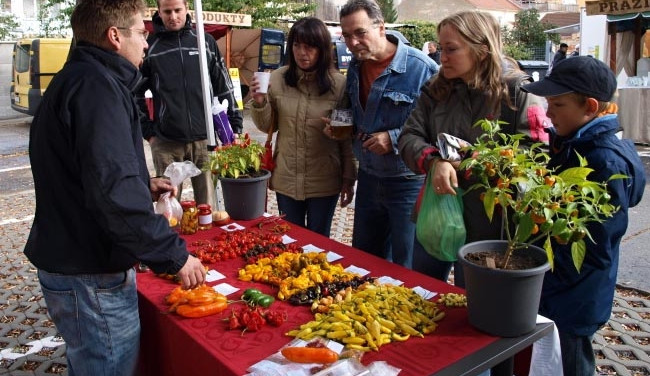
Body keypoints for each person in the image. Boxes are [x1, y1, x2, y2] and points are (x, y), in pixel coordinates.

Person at [24, 0, 207, 374]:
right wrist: (174, 256)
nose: (145, 42)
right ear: (114, 36)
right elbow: (113, 193)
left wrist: (143, 183)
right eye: (141, 32)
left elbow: (90, 173)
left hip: (73, 259)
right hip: (89, 271)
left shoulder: (78, 77)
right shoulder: (96, 88)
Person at [398, 10, 546, 286]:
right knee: (421, 292)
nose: (442, 57)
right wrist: (434, 162)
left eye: (451, 49)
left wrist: (469, 162)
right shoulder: (436, 88)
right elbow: (408, 137)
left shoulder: (518, 92)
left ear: (482, 49)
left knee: (476, 304)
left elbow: (535, 159)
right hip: (436, 213)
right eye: (440, 48)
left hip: (491, 227)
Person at [521, 56, 645, 376]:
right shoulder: (578, 143)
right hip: (563, 290)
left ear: (589, 106)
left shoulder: (601, 160)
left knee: (571, 362)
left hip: (572, 297)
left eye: (557, 105)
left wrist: (544, 279)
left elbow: (593, 247)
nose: (548, 113)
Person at [337, 0, 438, 268]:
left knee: (405, 263)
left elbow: (439, 128)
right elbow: (357, 114)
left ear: (381, 28)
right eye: (347, 35)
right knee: (363, 260)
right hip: (369, 177)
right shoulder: (357, 68)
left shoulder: (422, 69)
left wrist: (393, 138)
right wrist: (343, 126)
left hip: (407, 180)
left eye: (360, 32)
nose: (353, 42)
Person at [249, 17, 356, 237]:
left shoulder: (339, 85)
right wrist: (260, 101)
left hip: (324, 180)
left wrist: (348, 178)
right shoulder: (278, 78)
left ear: (322, 49)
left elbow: (347, 138)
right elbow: (267, 126)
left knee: (319, 241)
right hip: (286, 178)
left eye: (309, 46)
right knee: (289, 239)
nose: (302, 53)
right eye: (297, 45)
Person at [137, 0, 243, 208]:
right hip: (166, 141)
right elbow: (135, 92)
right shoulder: (152, 47)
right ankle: (169, 241)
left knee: (209, 207)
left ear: (187, 9)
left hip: (205, 139)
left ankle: (209, 242)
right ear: (158, 11)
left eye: (178, 10)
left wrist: (235, 125)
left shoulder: (205, 41)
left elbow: (224, 85)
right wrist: (148, 132)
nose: (173, 16)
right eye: (167, 11)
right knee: (168, 207)